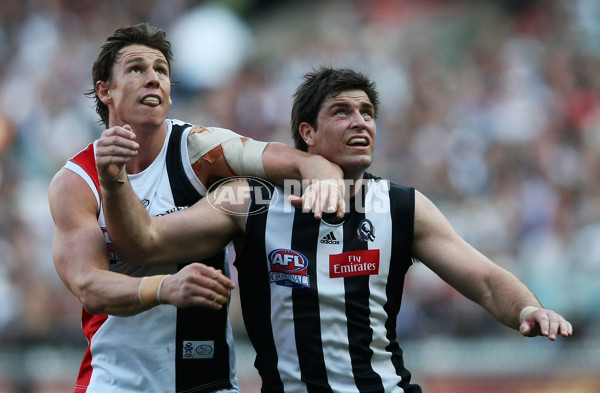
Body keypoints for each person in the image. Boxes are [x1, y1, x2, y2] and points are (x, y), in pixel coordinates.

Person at [97, 67, 573, 392]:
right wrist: (115, 179)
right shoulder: (250, 200)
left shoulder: (401, 206)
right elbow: (144, 241)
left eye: (367, 112)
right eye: (342, 112)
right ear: (307, 134)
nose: (360, 121)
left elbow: (488, 280)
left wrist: (528, 308)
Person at [48, 24, 346, 393]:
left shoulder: (200, 151)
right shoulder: (75, 181)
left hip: (207, 380)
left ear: (171, 94)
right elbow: (89, 287)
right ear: (104, 90)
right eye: (137, 69)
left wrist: (327, 182)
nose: (153, 79)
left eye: (162, 71)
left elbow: (303, 163)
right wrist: (165, 287)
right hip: (113, 381)